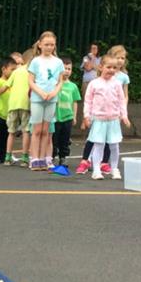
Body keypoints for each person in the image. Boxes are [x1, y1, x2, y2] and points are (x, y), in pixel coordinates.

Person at [76, 45, 129, 175]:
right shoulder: (94, 83)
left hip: (113, 119)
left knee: (114, 145)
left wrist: (124, 116)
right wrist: (86, 116)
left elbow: (122, 100)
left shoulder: (117, 84)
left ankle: (115, 168)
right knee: (98, 144)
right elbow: (88, 101)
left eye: (114, 68)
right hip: (98, 119)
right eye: (108, 67)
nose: (111, 70)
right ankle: (96, 170)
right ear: (101, 67)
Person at [27, 31, 64, 171]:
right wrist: (40, 92)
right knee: (36, 130)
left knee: (46, 130)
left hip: (51, 98)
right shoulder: (35, 61)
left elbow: (60, 81)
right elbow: (30, 81)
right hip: (37, 98)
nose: (49, 47)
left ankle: (42, 158)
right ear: (40, 44)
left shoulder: (58, 62)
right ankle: (34, 158)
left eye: (52, 45)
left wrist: (54, 92)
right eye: (47, 44)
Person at [4, 49, 33, 167]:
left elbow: (6, 85)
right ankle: (25, 158)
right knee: (26, 131)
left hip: (13, 105)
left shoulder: (16, 72)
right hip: (26, 104)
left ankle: (7, 156)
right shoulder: (31, 73)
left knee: (11, 132)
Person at [52, 57, 81, 167]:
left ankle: (63, 157)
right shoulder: (55, 84)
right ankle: (52, 156)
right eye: (65, 68)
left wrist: (74, 116)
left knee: (65, 139)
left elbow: (75, 102)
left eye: (69, 69)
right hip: (56, 117)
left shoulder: (73, 86)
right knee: (54, 139)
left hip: (67, 117)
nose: (67, 71)